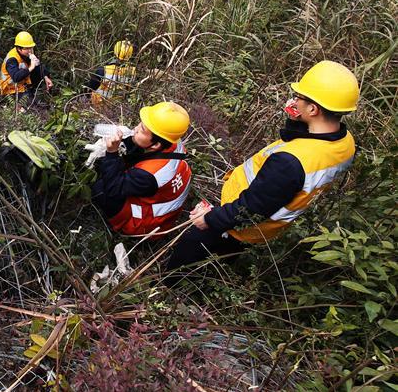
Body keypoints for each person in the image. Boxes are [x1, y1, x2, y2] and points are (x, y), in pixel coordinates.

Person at [166, 61, 359, 271]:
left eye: (300, 98)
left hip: (236, 225)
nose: (294, 100)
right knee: (222, 260)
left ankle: (171, 288)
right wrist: (297, 121)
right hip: (263, 229)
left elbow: (251, 207)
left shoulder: (289, 162)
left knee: (189, 256)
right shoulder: (345, 142)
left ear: (313, 109)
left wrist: (211, 220)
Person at [89, 102, 192, 237]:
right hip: (162, 206)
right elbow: (140, 146)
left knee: (101, 188)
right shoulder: (170, 139)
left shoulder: (149, 176)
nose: (136, 128)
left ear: (156, 145)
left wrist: (112, 154)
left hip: (146, 225)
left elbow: (114, 188)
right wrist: (127, 140)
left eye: (142, 129)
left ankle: (121, 229)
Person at [0, 31, 53, 103]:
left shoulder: (27, 54)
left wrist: (46, 77)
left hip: (23, 85)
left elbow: (38, 66)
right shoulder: (12, 59)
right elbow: (16, 77)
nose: (30, 50)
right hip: (11, 89)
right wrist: (31, 68)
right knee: (31, 107)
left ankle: (35, 93)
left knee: (38, 69)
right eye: (27, 48)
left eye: (31, 48)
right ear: (19, 48)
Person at [86, 40, 137, 105]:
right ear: (130, 55)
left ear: (115, 52)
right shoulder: (133, 71)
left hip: (98, 107)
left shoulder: (102, 70)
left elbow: (89, 89)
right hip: (119, 108)